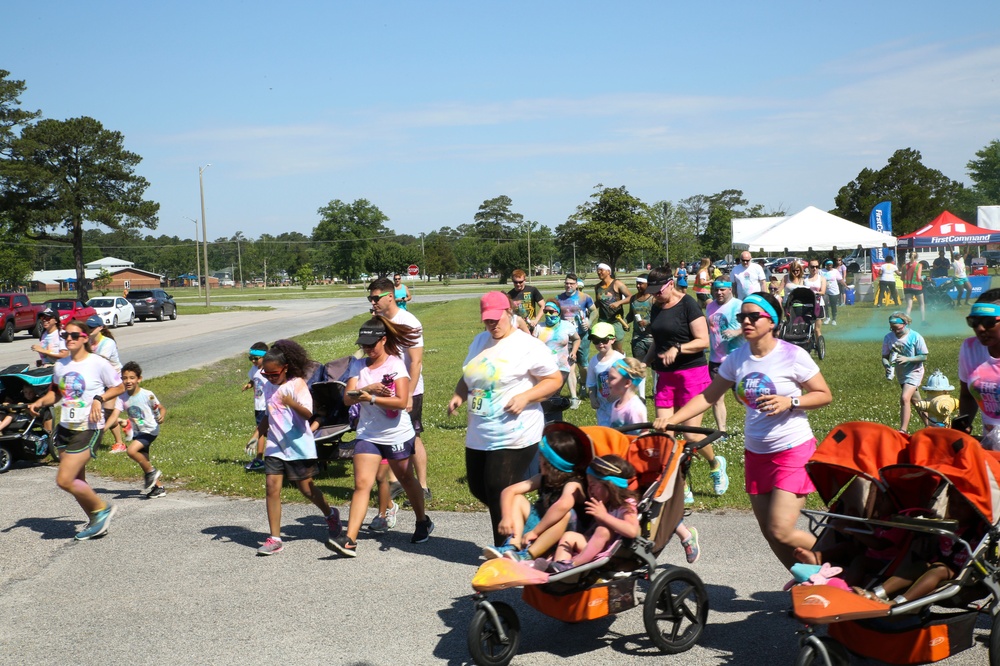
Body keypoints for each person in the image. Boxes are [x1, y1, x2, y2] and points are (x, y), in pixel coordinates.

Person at [654, 292, 834, 570]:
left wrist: (791, 401)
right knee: (769, 533)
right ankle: (808, 580)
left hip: (793, 450)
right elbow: (707, 397)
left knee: (781, 530)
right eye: (742, 317)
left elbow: (824, 394)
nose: (746, 321)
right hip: (756, 453)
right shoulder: (737, 358)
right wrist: (672, 420)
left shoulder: (792, 355)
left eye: (753, 316)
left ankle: (839, 556)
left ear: (772, 321)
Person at [447, 291, 563, 546]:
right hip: (480, 431)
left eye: (496, 320)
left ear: (509, 313)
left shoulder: (528, 346)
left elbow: (554, 380)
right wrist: (459, 395)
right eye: (487, 321)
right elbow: (470, 375)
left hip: (515, 431)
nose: (492, 325)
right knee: (478, 488)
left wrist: (526, 397)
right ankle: (529, 519)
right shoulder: (479, 342)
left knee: (498, 489)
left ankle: (506, 549)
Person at [331, 317, 432, 556]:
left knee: (406, 479)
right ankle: (349, 539)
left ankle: (422, 521)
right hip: (368, 433)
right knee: (361, 485)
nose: (367, 348)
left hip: (396, 432)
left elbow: (400, 402)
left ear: (383, 340)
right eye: (363, 344)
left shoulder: (396, 365)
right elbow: (347, 398)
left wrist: (373, 398)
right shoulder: (358, 365)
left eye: (371, 344)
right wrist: (369, 389)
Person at [27, 319, 125, 541]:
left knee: (64, 479)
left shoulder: (97, 363)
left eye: (73, 335)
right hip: (65, 428)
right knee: (77, 480)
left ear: (84, 338)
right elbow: (58, 394)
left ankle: (102, 509)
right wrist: (40, 402)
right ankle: (95, 521)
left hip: (88, 427)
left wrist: (100, 398)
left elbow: (118, 386)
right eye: (65, 336)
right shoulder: (61, 365)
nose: (68, 339)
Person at [603, 357, 700, 563]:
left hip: (637, 465)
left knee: (652, 508)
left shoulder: (634, 408)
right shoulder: (616, 405)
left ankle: (685, 535)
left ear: (627, 382)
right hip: (620, 464)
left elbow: (643, 440)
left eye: (611, 378)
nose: (607, 382)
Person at [643, 266, 729, 500]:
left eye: (658, 291)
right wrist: (645, 362)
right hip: (665, 378)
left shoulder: (688, 304)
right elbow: (657, 341)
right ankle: (681, 483)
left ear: (670, 284)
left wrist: (678, 348)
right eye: (652, 292)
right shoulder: (656, 307)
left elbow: (704, 342)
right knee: (666, 433)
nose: (655, 295)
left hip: (691, 374)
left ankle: (715, 464)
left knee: (690, 435)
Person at [249, 339, 341, 556]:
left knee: (306, 488)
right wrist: (256, 435)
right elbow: (268, 415)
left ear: (286, 368)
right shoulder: (270, 385)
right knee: (272, 488)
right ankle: (275, 538)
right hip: (275, 445)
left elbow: (309, 414)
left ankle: (330, 514)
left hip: (298, 445)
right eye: (266, 374)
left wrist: (292, 404)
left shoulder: (297, 384)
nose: (270, 378)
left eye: (274, 374)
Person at [481, 429, 586, 562]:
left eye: (541, 457)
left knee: (565, 514)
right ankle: (513, 546)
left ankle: (527, 555)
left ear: (550, 463)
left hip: (564, 537)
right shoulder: (543, 477)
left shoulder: (573, 484)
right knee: (517, 498)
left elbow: (562, 506)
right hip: (541, 529)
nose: (538, 459)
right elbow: (509, 491)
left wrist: (535, 532)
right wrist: (506, 518)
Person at [370, 278, 432, 501]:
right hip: (385, 390)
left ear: (390, 296)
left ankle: (423, 486)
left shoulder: (409, 321)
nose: (373, 302)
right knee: (389, 435)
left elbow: (415, 362)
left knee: (412, 436)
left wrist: (409, 394)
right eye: (370, 298)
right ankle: (395, 483)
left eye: (376, 298)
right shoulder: (378, 321)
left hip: (408, 389)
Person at [546, 455, 641, 573]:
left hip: (615, 552)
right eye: (588, 485)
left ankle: (572, 565)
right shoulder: (605, 504)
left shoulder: (626, 504)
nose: (589, 490)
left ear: (609, 485)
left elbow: (632, 531)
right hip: (595, 547)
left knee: (603, 530)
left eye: (593, 485)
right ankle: (558, 567)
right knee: (568, 536)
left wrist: (604, 516)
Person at [955, 289, 1000, 446]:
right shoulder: (970, 349)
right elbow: (967, 395)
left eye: (988, 322)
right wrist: (963, 423)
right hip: (991, 442)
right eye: (974, 322)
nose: (980, 328)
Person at [116, 361, 167, 499]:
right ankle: (159, 488)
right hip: (138, 431)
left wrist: (161, 415)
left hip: (150, 430)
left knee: (131, 451)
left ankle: (152, 472)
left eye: (132, 377)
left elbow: (160, 407)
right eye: (125, 378)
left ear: (139, 379)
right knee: (144, 460)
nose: (128, 381)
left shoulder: (147, 394)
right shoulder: (122, 397)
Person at [706, 278, 742, 436]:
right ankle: (722, 432)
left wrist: (735, 332)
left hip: (736, 358)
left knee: (742, 398)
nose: (719, 292)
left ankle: (761, 423)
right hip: (715, 360)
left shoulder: (738, 305)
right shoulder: (710, 306)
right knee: (716, 398)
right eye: (716, 289)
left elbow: (747, 326)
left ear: (730, 290)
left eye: (723, 289)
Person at [881, 312, 929, 433]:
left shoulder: (915, 337)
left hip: (915, 371)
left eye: (897, 328)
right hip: (901, 373)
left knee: (904, 398)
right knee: (917, 401)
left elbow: (923, 356)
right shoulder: (888, 337)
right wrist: (887, 366)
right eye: (892, 329)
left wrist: (907, 359)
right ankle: (931, 426)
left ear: (905, 324)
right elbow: (885, 356)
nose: (894, 331)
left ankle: (903, 430)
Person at [86, 314, 126, 452]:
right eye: (87, 327)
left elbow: (97, 361)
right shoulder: (87, 342)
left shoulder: (108, 343)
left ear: (100, 328)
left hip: (113, 380)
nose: (89, 329)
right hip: (97, 379)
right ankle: (121, 422)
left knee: (107, 412)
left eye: (92, 327)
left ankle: (119, 444)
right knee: (94, 410)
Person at [556, 274, 596, 403]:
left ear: (577, 284)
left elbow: (595, 311)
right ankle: (574, 397)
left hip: (582, 335)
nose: (568, 285)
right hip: (567, 338)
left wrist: (589, 322)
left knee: (583, 365)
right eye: (567, 283)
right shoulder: (559, 298)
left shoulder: (585, 298)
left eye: (571, 283)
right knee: (570, 364)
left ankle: (583, 383)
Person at [532, 300, 580, 403]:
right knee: (546, 397)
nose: (548, 314)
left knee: (553, 394)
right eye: (546, 312)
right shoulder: (539, 327)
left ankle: (554, 415)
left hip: (562, 366)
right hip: (543, 367)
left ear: (558, 312)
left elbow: (577, 339)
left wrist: (574, 352)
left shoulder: (566, 326)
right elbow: (532, 345)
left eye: (551, 311)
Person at [587, 322, 625, 426]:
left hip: (619, 405)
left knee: (620, 432)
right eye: (596, 340)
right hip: (602, 406)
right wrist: (592, 398)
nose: (600, 344)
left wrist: (617, 394)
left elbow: (631, 381)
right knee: (605, 432)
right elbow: (591, 383)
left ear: (613, 339)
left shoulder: (619, 359)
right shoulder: (593, 361)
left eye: (604, 340)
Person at [625, 275, 654, 399]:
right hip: (638, 338)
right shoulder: (633, 299)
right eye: (637, 283)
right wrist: (626, 322)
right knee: (639, 366)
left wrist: (647, 322)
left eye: (640, 284)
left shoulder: (653, 299)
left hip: (652, 338)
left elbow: (659, 316)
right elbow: (631, 315)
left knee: (655, 367)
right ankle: (641, 396)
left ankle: (656, 390)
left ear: (648, 285)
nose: (638, 286)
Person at [242, 341, 269, 472]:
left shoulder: (268, 370)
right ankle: (260, 459)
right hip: (258, 406)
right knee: (262, 432)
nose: (253, 361)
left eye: (256, 359)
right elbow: (253, 379)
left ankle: (260, 458)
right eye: (250, 358)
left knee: (262, 431)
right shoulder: (254, 369)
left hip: (267, 406)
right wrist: (249, 385)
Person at [594, 263, 632, 354]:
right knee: (604, 348)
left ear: (608, 272)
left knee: (617, 349)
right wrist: (588, 308)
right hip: (603, 321)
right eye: (598, 270)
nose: (599, 272)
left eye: (601, 270)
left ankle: (621, 366)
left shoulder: (617, 284)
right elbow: (598, 303)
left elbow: (630, 297)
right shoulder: (597, 287)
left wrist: (619, 302)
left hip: (616, 321)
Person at [804, 260, 827, 338]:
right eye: (812, 267)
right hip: (807, 305)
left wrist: (812, 293)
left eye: (816, 267)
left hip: (819, 305)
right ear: (809, 268)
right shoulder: (805, 279)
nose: (814, 268)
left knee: (817, 329)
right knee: (807, 328)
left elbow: (823, 292)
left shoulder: (822, 279)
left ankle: (819, 346)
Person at [903, 253, 926, 323]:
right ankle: (923, 321)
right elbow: (919, 277)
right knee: (921, 304)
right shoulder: (919, 265)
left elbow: (902, 278)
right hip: (917, 287)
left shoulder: (904, 266)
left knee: (909, 306)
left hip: (907, 287)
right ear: (917, 257)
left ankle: (905, 322)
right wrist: (923, 277)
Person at [820, 259, 842, 326]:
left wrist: (846, 286)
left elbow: (840, 279)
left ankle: (834, 319)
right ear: (826, 265)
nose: (829, 266)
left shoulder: (835, 271)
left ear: (832, 265)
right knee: (825, 304)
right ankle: (827, 317)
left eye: (830, 265)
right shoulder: (821, 271)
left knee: (833, 305)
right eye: (828, 265)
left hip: (834, 291)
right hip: (825, 291)